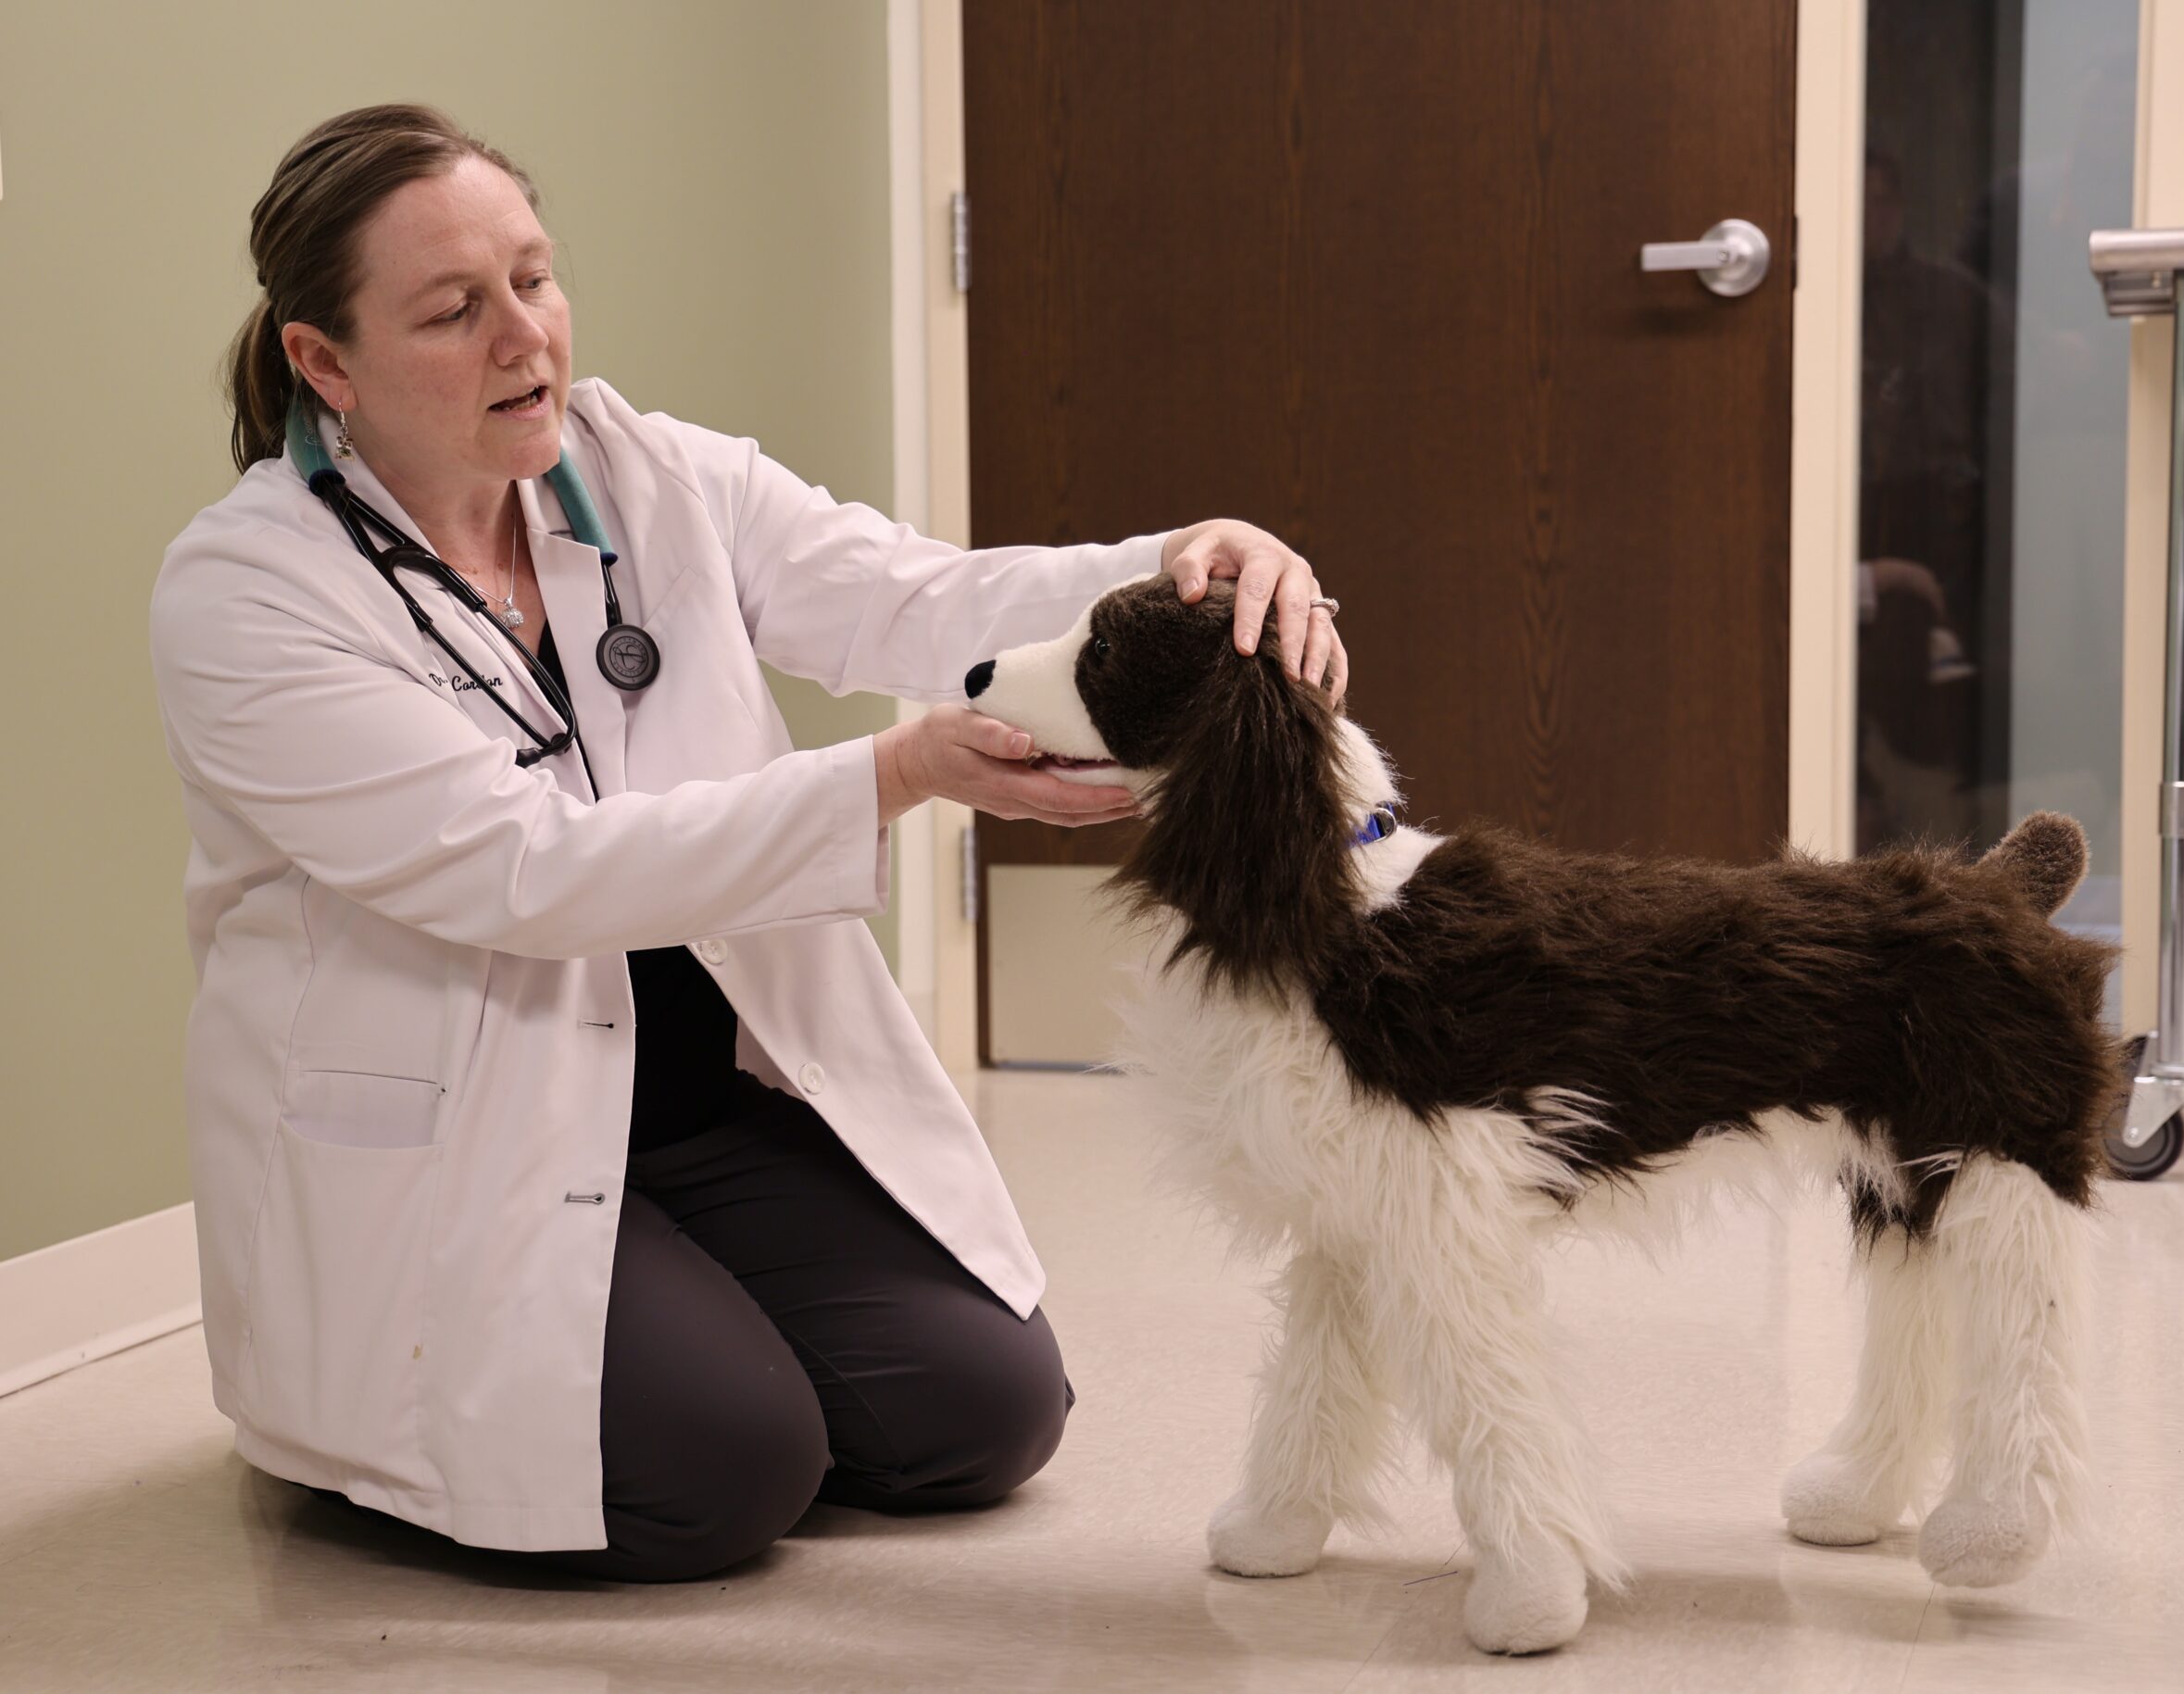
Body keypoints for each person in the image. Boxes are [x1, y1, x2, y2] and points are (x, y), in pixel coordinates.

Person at [148, 104, 1348, 1583]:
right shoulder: (250, 594)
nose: (524, 335)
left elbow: (911, 596)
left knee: (984, 1411)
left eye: (534, 277)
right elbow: (524, 870)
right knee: (728, 1472)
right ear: (324, 363)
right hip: (466, 1135)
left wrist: (1173, 568)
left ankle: (665, 1311)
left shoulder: (642, 473)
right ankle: (384, 1434)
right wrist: (898, 774)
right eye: (453, 311)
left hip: (691, 1105)